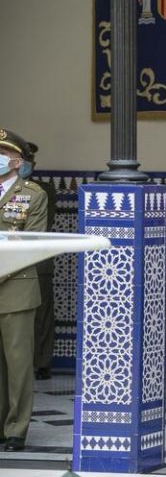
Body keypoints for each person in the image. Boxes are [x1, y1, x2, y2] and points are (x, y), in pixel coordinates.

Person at [0, 128, 48, 452]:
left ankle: (16, 428)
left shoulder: (33, 194)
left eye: (2, 154)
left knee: (17, 365)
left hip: (15, 288)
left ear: (16, 161)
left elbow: (31, 244)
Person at [20, 143, 57, 380]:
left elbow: (44, 224)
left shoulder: (43, 190)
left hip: (38, 261)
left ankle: (42, 361)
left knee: (42, 315)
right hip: (9, 262)